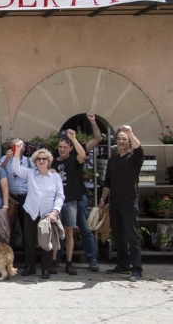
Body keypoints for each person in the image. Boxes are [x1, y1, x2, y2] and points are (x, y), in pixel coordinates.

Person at [54, 113, 103, 273]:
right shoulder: (54, 159)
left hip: (77, 196)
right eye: (60, 146)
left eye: (65, 146)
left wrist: (92, 122)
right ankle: (60, 260)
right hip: (62, 199)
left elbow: (97, 139)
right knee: (62, 230)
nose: (62, 149)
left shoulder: (76, 154)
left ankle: (92, 260)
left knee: (84, 228)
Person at [9, 143, 64, 279]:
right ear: (35, 161)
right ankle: (30, 267)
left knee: (45, 241)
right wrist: (17, 152)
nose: (41, 161)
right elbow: (16, 169)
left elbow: (60, 195)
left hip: (47, 214)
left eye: (44, 159)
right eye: (38, 159)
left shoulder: (55, 177)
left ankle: (45, 268)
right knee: (29, 240)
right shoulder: (30, 173)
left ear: (49, 161)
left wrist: (55, 212)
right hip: (31, 211)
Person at [99, 125, 143, 282]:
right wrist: (103, 200)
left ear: (129, 141)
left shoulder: (134, 158)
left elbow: (139, 149)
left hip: (129, 201)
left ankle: (136, 269)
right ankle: (123, 264)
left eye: (125, 139)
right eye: (119, 139)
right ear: (116, 141)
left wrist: (131, 133)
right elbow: (107, 183)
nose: (122, 141)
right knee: (118, 235)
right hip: (115, 202)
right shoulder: (112, 160)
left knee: (132, 236)